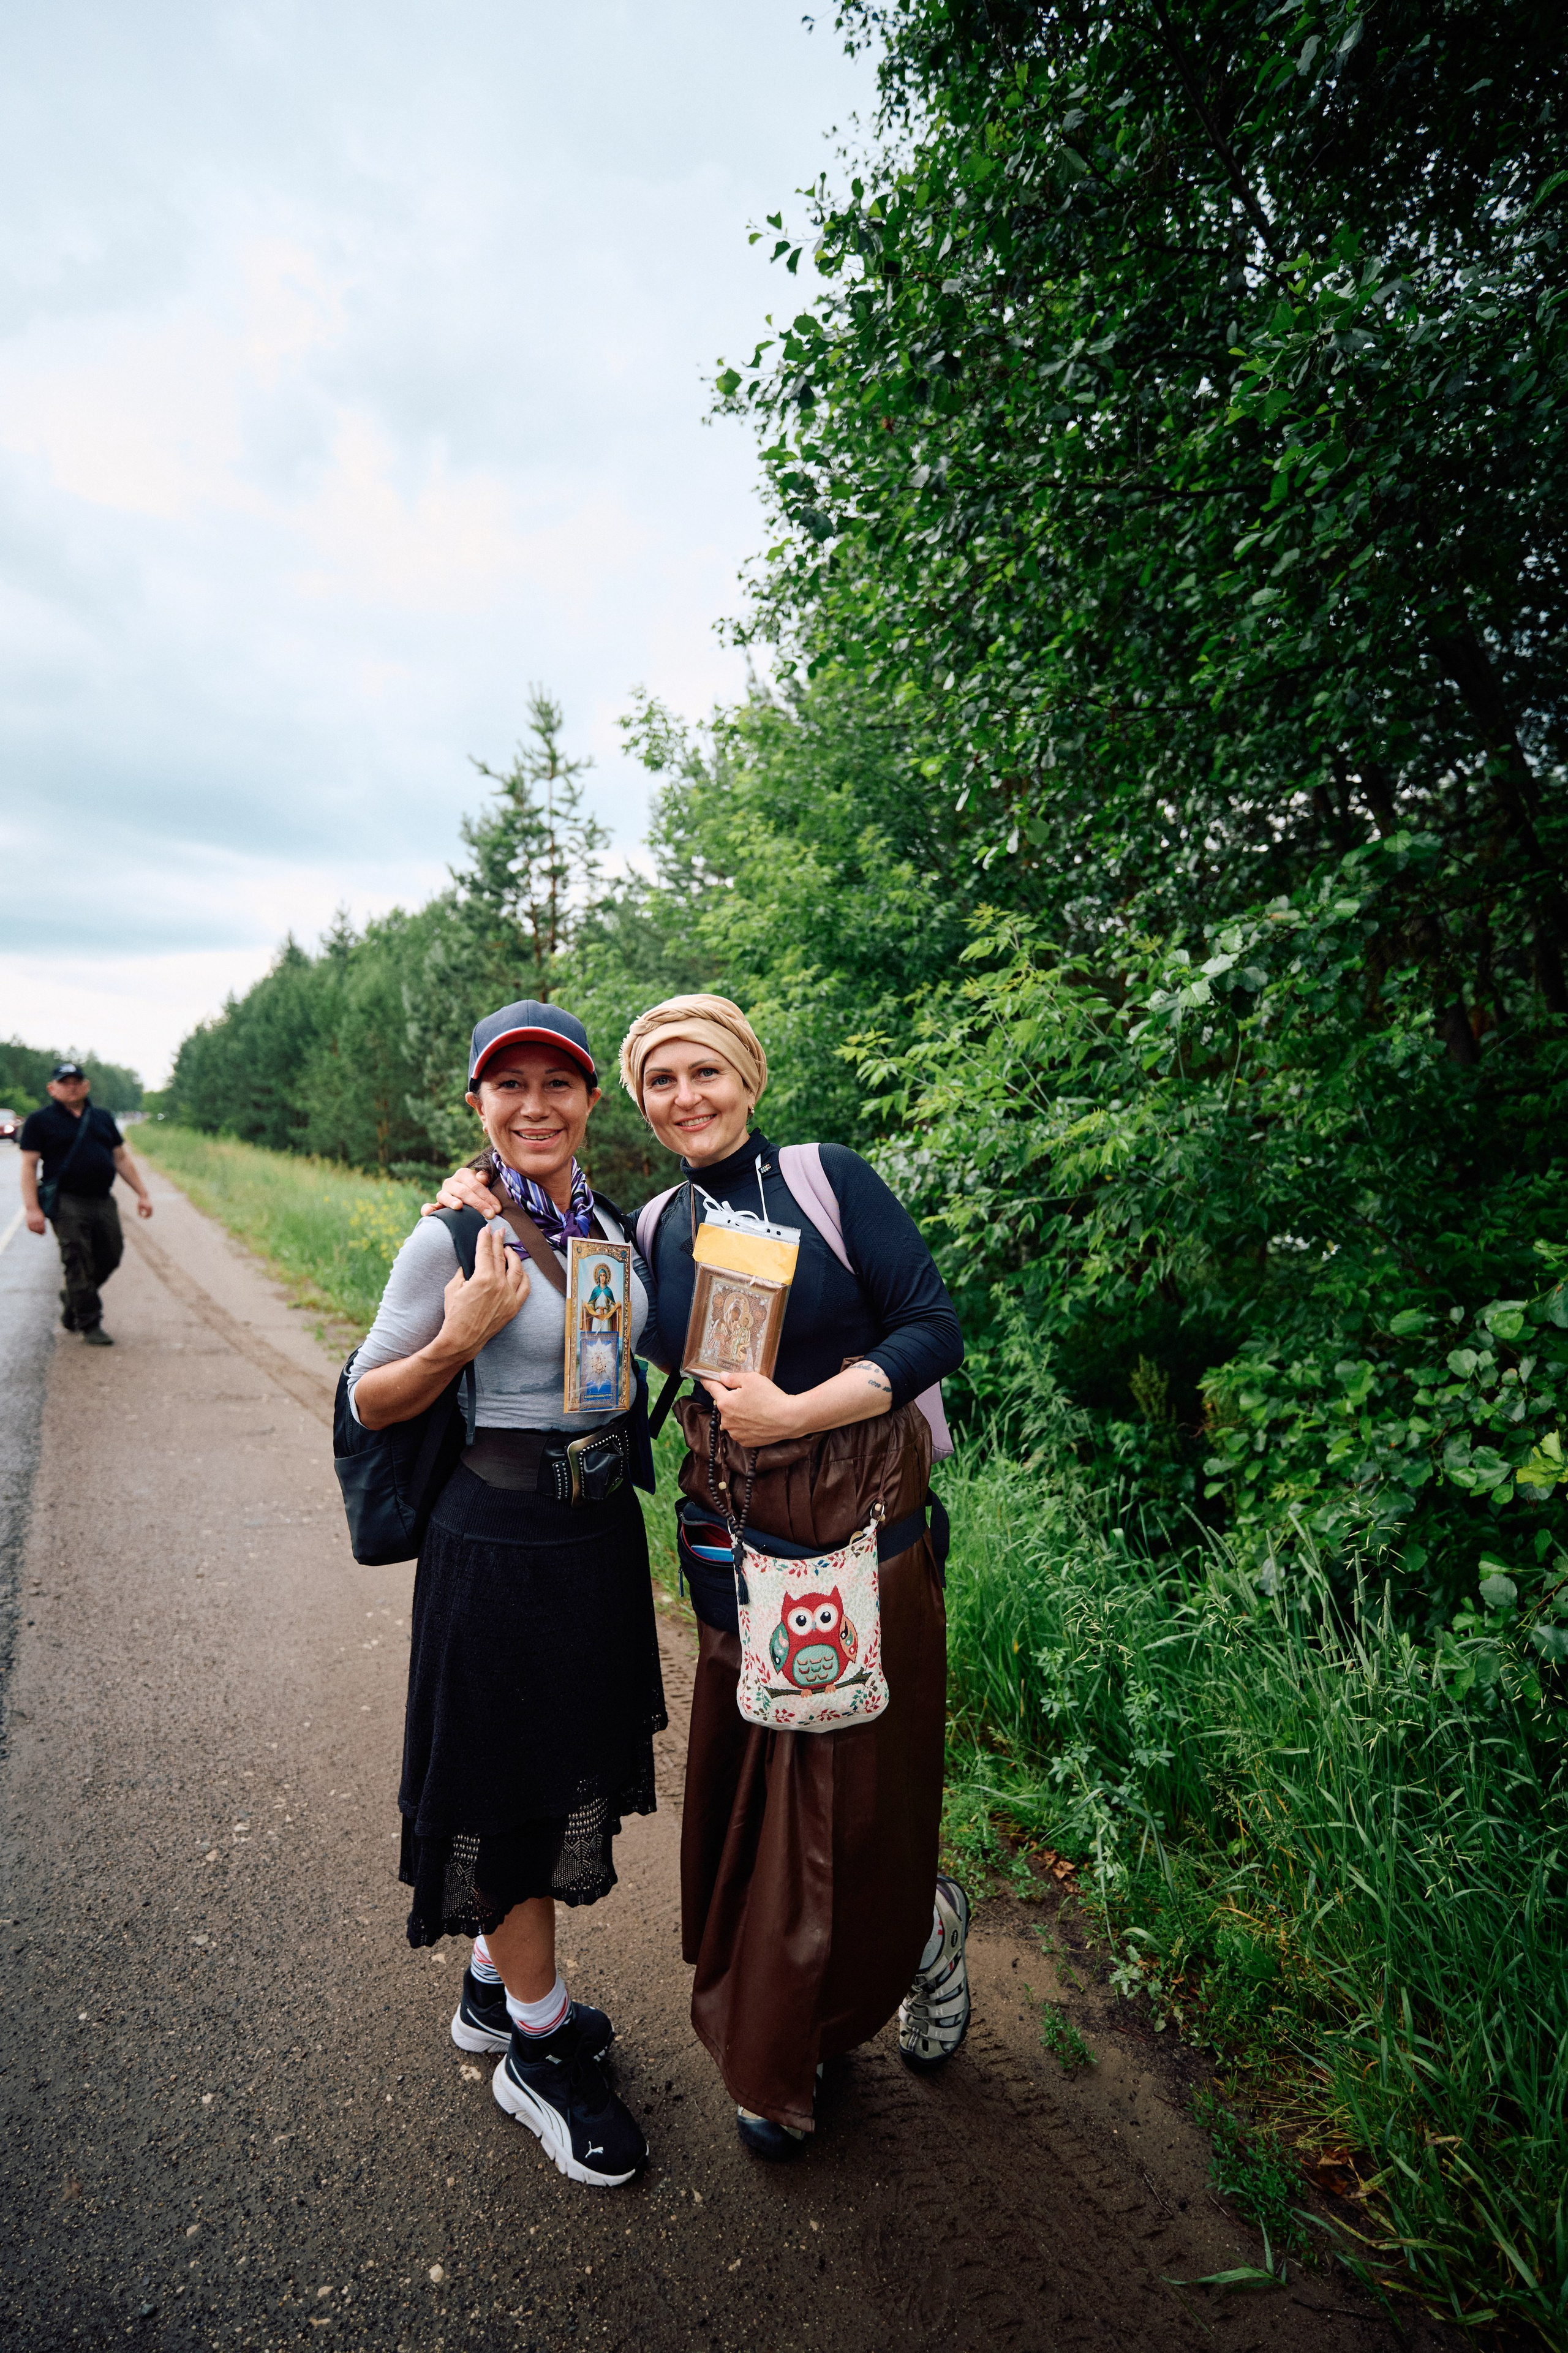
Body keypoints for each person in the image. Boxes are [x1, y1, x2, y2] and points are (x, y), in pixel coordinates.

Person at [435, 992, 969, 2161]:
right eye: (661, 1081)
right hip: (732, 1540)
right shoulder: (659, 1223)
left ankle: (879, 1968)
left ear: (748, 1077)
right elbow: (608, 1329)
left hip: (857, 1532)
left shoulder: (828, 1180)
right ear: (639, 1102)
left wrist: (798, 1410)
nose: (687, 1097)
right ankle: (810, 2007)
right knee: (753, 1793)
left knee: (845, 1791)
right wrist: (482, 1200)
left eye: (706, 1072)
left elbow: (932, 1326)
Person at [350, 999, 666, 2189]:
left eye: (558, 1084)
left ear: (589, 1101)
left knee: (561, 1765)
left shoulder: (614, 1228)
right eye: (510, 1086)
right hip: (497, 1547)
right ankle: (537, 2050)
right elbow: (368, 1397)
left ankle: (494, 1991)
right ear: (478, 1103)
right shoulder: (451, 1239)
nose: (536, 1106)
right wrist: (457, 1336)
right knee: (505, 1787)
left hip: (596, 1538)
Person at [20, 1062, 154, 1345]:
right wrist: (33, 1210)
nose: (72, 1087)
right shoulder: (40, 1121)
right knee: (77, 1259)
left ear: (86, 1085)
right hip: (66, 1201)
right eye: (65, 1082)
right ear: (52, 1088)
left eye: (76, 1081)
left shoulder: (101, 1118)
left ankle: (73, 1300)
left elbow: (120, 1158)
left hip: (102, 1199)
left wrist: (142, 1193)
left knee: (111, 1255)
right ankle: (90, 1323)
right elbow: (29, 1165)